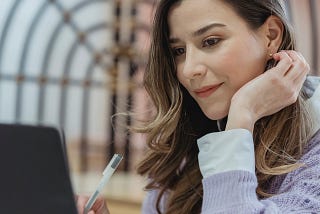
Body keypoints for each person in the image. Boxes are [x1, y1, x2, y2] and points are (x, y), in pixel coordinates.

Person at [77, 0, 320, 213]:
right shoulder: (184, 145)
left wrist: (242, 114)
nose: (188, 69)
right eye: (179, 51)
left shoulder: (314, 150)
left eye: (211, 41)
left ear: (271, 35)